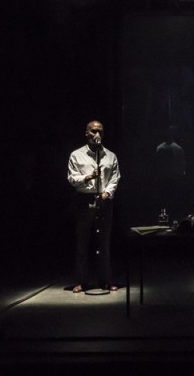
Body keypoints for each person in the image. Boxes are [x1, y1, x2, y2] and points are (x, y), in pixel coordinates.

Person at [66, 120, 121, 293]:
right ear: (86, 133)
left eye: (100, 132)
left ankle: (105, 280)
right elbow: (72, 178)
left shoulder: (110, 156)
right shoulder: (76, 155)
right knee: (82, 242)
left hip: (104, 201)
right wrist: (88, 177)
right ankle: (81, 280)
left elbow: (115, 178)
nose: (97, 135)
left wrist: (107, 193)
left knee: (104, 243)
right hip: (84, 200)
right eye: (94, 131)